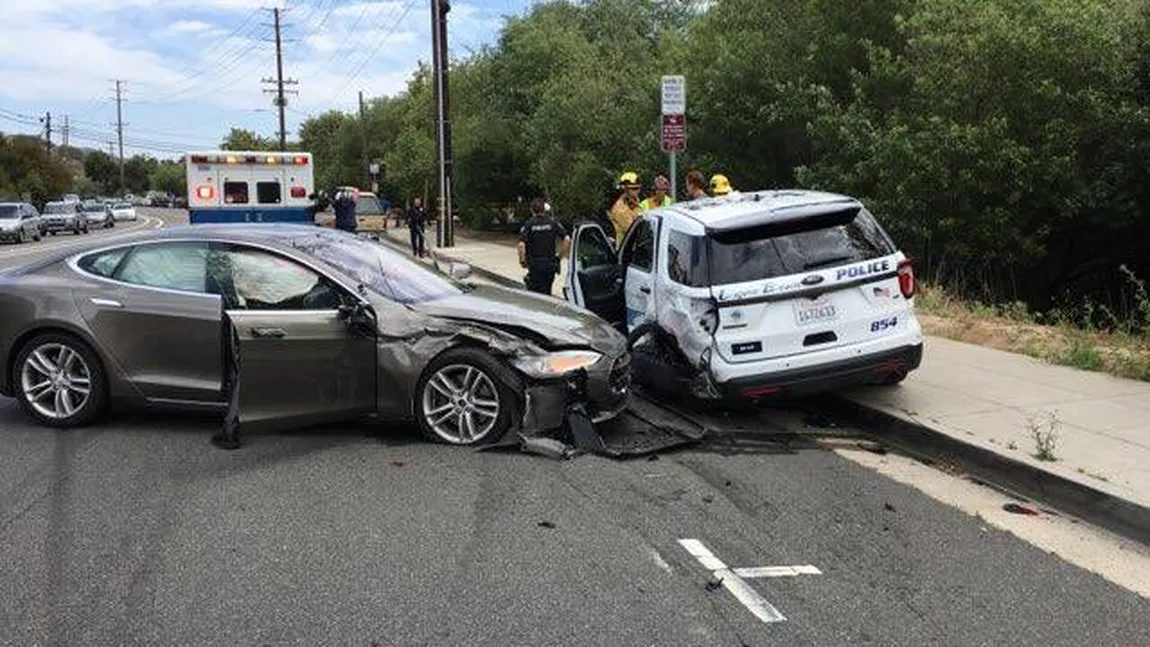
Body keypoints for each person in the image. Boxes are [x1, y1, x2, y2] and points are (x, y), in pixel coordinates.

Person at [518, 197, 570, 295]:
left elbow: (521, 245)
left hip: (535, 266)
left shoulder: (529, 224)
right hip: (550, 265)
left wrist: (522, 261)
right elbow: (567, 239)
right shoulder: (553, 222)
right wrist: (559, 257)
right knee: (547, 291)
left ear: (532, 210)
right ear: (544, 209)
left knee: (535, 294)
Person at [608, 171, 643, 246]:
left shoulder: (635, 204)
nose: (637, 191)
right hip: (625, 251)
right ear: (624, 190)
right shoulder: (620, 209)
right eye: (634, 189)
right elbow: (634, 231)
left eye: (638, 188)